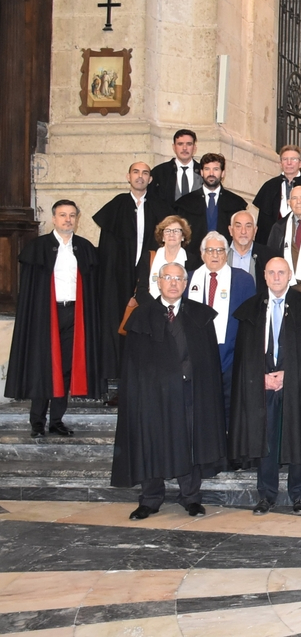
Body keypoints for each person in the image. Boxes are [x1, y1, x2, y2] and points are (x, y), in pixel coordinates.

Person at [114, 263, 225, 520]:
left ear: (185, 284)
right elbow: (133, 364)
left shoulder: (201, 316)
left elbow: (208, 361)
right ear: (159, 282)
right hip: (152, 397)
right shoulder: (141, 316)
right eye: (168, 278)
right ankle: (150, 499)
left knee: (189, 442)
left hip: (190, 394)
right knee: (151, 443)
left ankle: (191, 498)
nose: (173, 283)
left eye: (179, 279)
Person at [230, 258, 301, 515]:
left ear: (290, 275)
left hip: (296, 385)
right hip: (262, 386)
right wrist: (259, 376)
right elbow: (244, 355)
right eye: (271, 272)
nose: (276, 277)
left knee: (298, 437)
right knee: (266, 441)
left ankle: (298, 494)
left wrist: (290, 375)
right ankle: (266, 495)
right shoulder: (250, 309)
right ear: (264, 275)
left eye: (281, 272)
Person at [6, 200, 103, 436]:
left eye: (72, 215)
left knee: (67, 368)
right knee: (43, 366)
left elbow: (91, 288)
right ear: (53, 219)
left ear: (77, 219)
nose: (67, 219)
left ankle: (57, 420)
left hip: (75, 313)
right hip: (45, 314)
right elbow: (31, 290)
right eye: (62, 215)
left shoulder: (84, 248)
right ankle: (37, 421)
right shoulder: (38, 247)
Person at [92, 162, 171, 387]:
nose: (140, 176)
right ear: (128, 176)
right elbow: (107, 249)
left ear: (151, 179)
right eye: (136, 172)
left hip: (149, 277)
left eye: (145, 173)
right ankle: (118, 378)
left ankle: (142, 379)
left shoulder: (160, 207)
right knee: (117, 323)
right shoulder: (117, 205)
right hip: (117, 276)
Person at [186, 232, 256, 421]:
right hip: (196, 357)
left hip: (230, 357)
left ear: (227, 253)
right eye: (210, 250)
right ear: (202, 254)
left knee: (229, 412)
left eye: (219, 250)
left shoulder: (243, 280)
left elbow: (250, 321)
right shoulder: (188, 280)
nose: (215, 255)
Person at [174, 153, 248, 254]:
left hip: (226, 259)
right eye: (207, 169)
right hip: (193, 260)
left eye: (216, 169)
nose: (211, 173)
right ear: (201, 172)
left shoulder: (236, 203)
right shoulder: (185, 203)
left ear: (223, 173)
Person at [252, 145, 301, 245]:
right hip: (275, 241)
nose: (289, 163)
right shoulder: (269, 186)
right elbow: (263, 224)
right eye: (285, 159)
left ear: (300, 163)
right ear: (280, 163)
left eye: (293, 159)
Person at [227, 210, 280, 287]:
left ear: (255, 231)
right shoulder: (220, 253)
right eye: (238, 226)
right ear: (230, 230)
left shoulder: (269, 256)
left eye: (248, 226)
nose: (243, 231)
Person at [148, 129, 201, 207]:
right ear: (174, 147)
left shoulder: (204, 172)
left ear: (194, 148)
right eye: (180, 144)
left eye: (189, 144)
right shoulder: (159, 172)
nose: (184, 148)